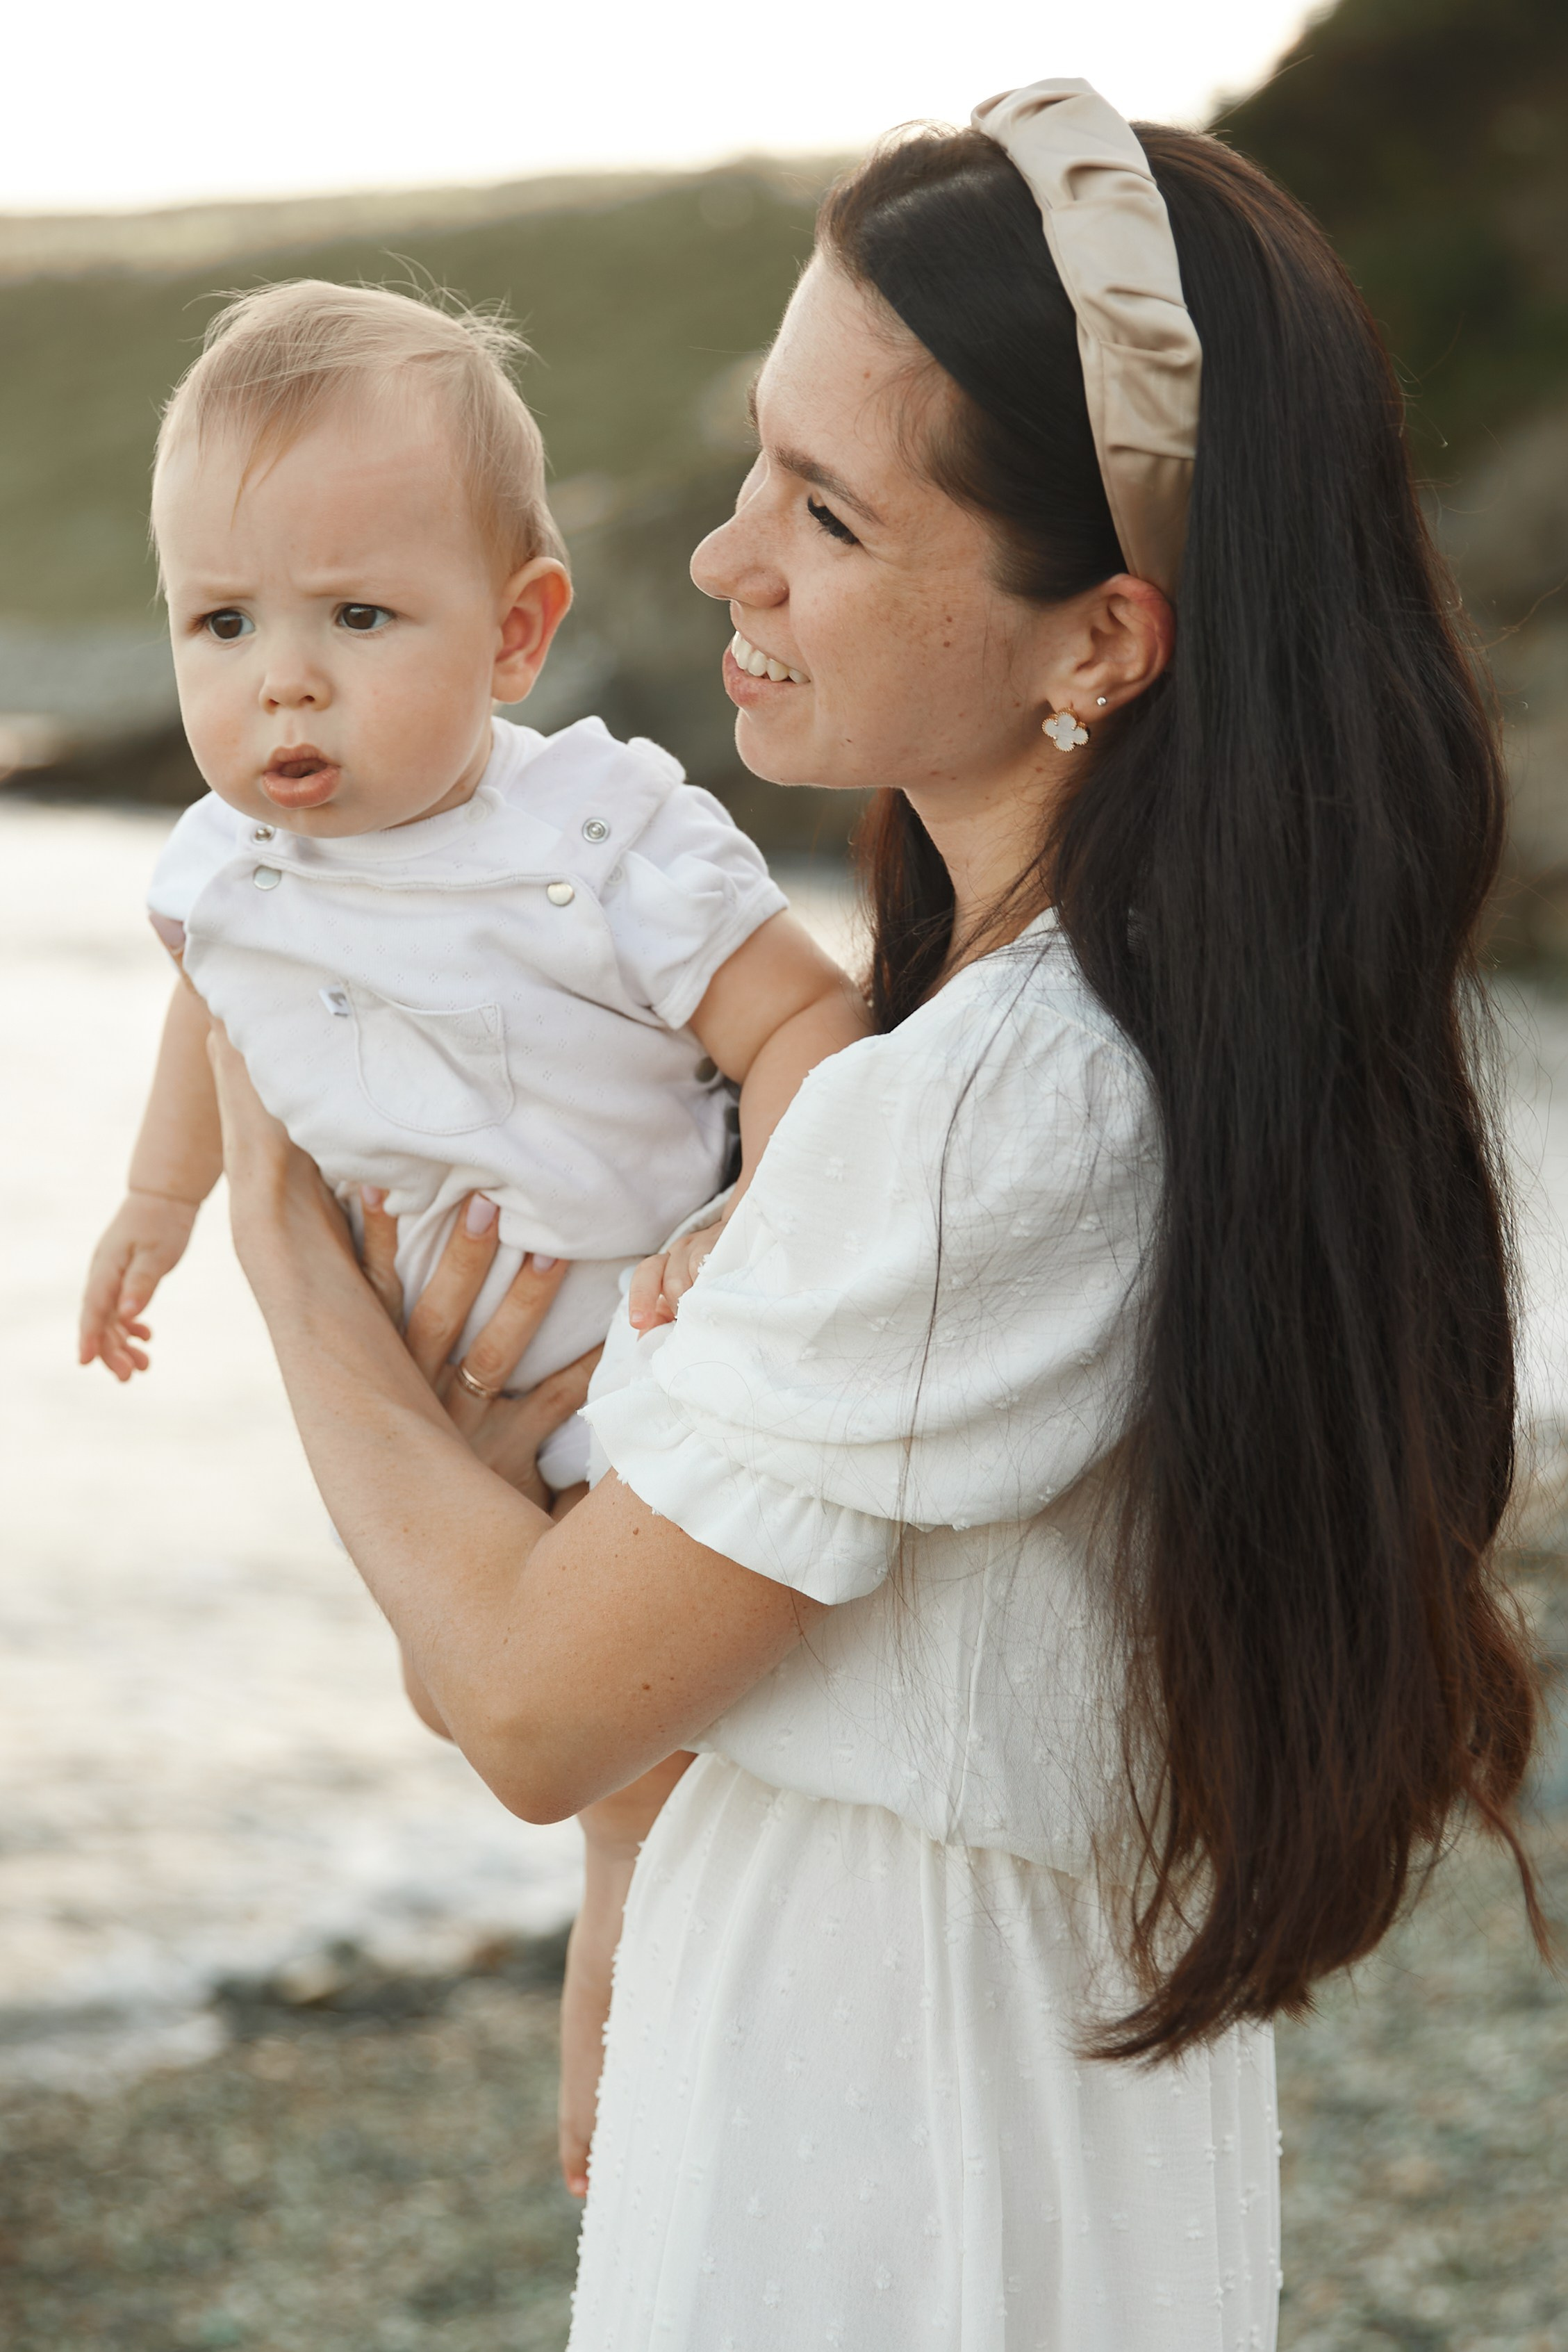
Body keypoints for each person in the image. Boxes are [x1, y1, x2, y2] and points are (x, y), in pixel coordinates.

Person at [201, 81, 1545, 2348]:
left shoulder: (973, 1113)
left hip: (881, 2114)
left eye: (822, 513)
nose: (725, 560)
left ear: (1095, 644)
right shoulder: (1115, 1038)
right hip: (969, 2054)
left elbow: (524, 1698)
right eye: (756, 462)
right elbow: (797, 1620)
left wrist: (270, 1232)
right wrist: (638, 1861)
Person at [78, 280, 866, 1490]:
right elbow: (215, 994)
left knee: (564, 1671)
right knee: (473, 1671)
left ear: (513, 635)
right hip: (432, 1409)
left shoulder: (599, 836)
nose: (283, 679)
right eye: (223, 623)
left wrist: (748, 1219)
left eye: (356, 614)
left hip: (660, 1377)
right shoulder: (223, 865)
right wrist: (158, 1197)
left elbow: (806, 1019)